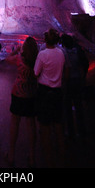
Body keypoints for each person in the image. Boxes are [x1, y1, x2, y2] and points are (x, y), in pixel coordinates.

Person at [34, 28, 66, 167]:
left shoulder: (42, 54)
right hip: (58, 92)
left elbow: (36, 72)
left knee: (45, 125)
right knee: (58, 123)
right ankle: (62, 153)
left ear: (46, 40)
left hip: (45, 92)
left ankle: (47, 157)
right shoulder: (61, 53)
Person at [6, 36, 39, 167]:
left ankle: (11, 154)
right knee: (31, 125)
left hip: (18, 93)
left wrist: (16, 50)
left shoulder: (19, 59)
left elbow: (7, 59)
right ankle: (32, 156)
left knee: (15, 123)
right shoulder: (37, 60)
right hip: (31, 94)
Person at [61, 34, 89, 139]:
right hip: (77, 80)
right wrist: (83, 76)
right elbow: (85, 63)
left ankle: (70, 132)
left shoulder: (62, 53)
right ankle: (82, 132)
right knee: (78, 106)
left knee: (67, 107)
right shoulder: (77, 51)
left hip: (68, 82)